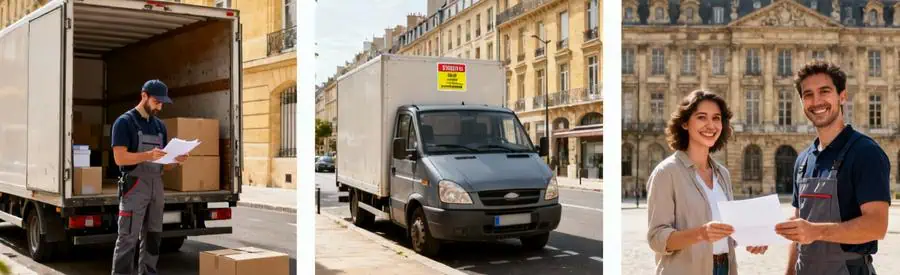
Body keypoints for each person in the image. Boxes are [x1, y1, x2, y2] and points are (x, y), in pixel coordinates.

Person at [775, 61, 890, 275]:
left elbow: (877, 225)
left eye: (824, 91)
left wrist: (815, 232)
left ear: (842, 96)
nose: (816, 101)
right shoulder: (803, 160)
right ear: (801, 101)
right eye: (808, 94)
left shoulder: (865, 153)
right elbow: (800, 232)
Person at [646, 90, 767, 275]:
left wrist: (751, 238)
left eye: (716, 118)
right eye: (702, 117)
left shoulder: (722, 174)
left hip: (724, 268)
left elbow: (726, 232)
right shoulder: (666, 173)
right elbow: (656, 238)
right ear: (685, 123)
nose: (711, 125)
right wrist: (700, 234)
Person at [110, 79, 187, 275]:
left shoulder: (160, 126)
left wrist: (175, 160)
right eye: (156, 101)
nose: (159, 106)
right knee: (128, 237)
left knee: (153, 236)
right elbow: (119, 158)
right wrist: (147, 155)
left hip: (156, 186)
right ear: (143, 96)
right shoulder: (124, 123)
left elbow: (164, 166)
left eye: (162, 103)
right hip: (134, 186)